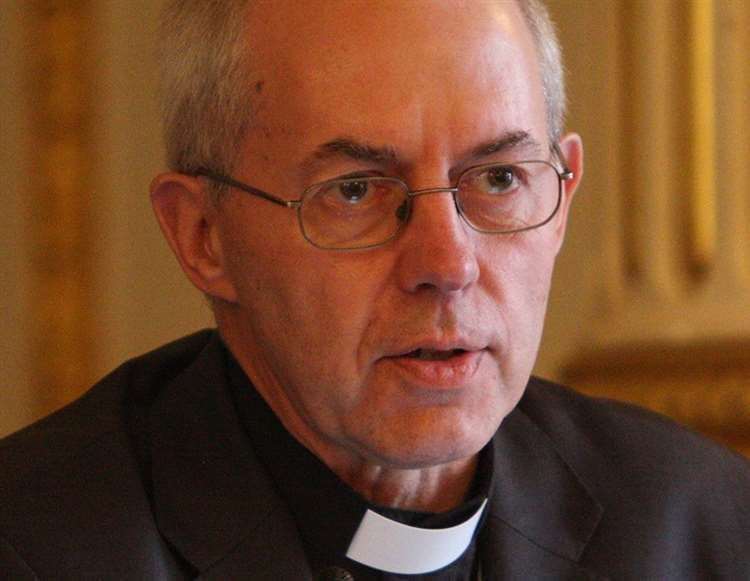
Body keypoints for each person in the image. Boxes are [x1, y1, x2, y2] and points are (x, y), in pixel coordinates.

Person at [2, 0, 749, 578]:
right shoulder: (40, 546)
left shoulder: (705, 529)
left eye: (497, 179)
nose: (448, 262)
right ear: (201, 235)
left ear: (563, 194)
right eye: (355, 190)